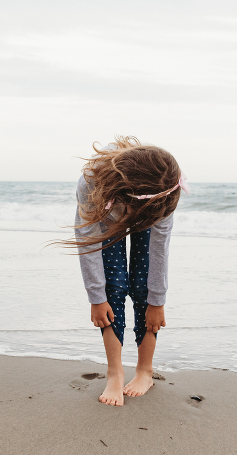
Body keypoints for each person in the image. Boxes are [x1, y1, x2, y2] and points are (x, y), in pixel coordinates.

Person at [70, 136, 187, 406]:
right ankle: (114, 373)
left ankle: (145, 371)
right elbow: (86, 241)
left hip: (147, 205)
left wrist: (157, 301)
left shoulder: (165, 186)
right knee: (114, 285)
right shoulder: (91, 184)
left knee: (142, 286)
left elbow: (159, 251)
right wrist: (96, 298)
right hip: (108, 210)